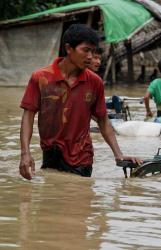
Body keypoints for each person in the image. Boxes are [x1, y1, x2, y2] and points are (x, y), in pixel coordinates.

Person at [19, 24, 139, 180]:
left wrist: (119, 155)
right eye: (85, 50)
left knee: (78, 199)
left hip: (81, 159)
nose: (90, 57)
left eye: (93, 51)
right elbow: (28, 116)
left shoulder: (95, 82)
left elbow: (103, 121)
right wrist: (25, 153)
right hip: (50, 155)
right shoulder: (41, 78)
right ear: (69, 49)